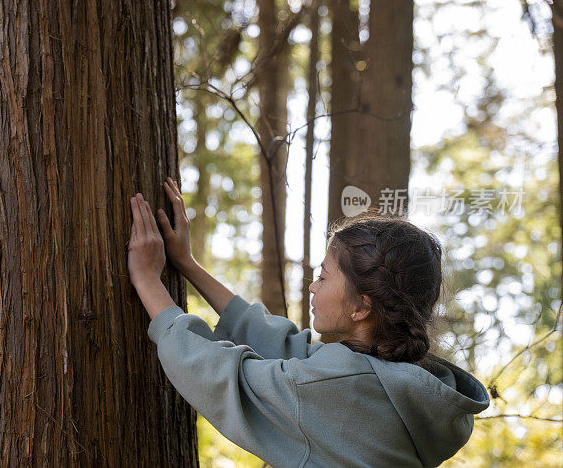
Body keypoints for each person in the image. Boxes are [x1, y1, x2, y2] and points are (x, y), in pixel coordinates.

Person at [127, 177, 490, 468]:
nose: (313, 286)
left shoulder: (334, 385)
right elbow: (287, 349)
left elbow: (219, 375)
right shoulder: (404, 386)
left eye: (324, 276)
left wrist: (147, 279)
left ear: (362, 307)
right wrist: (188, 265)